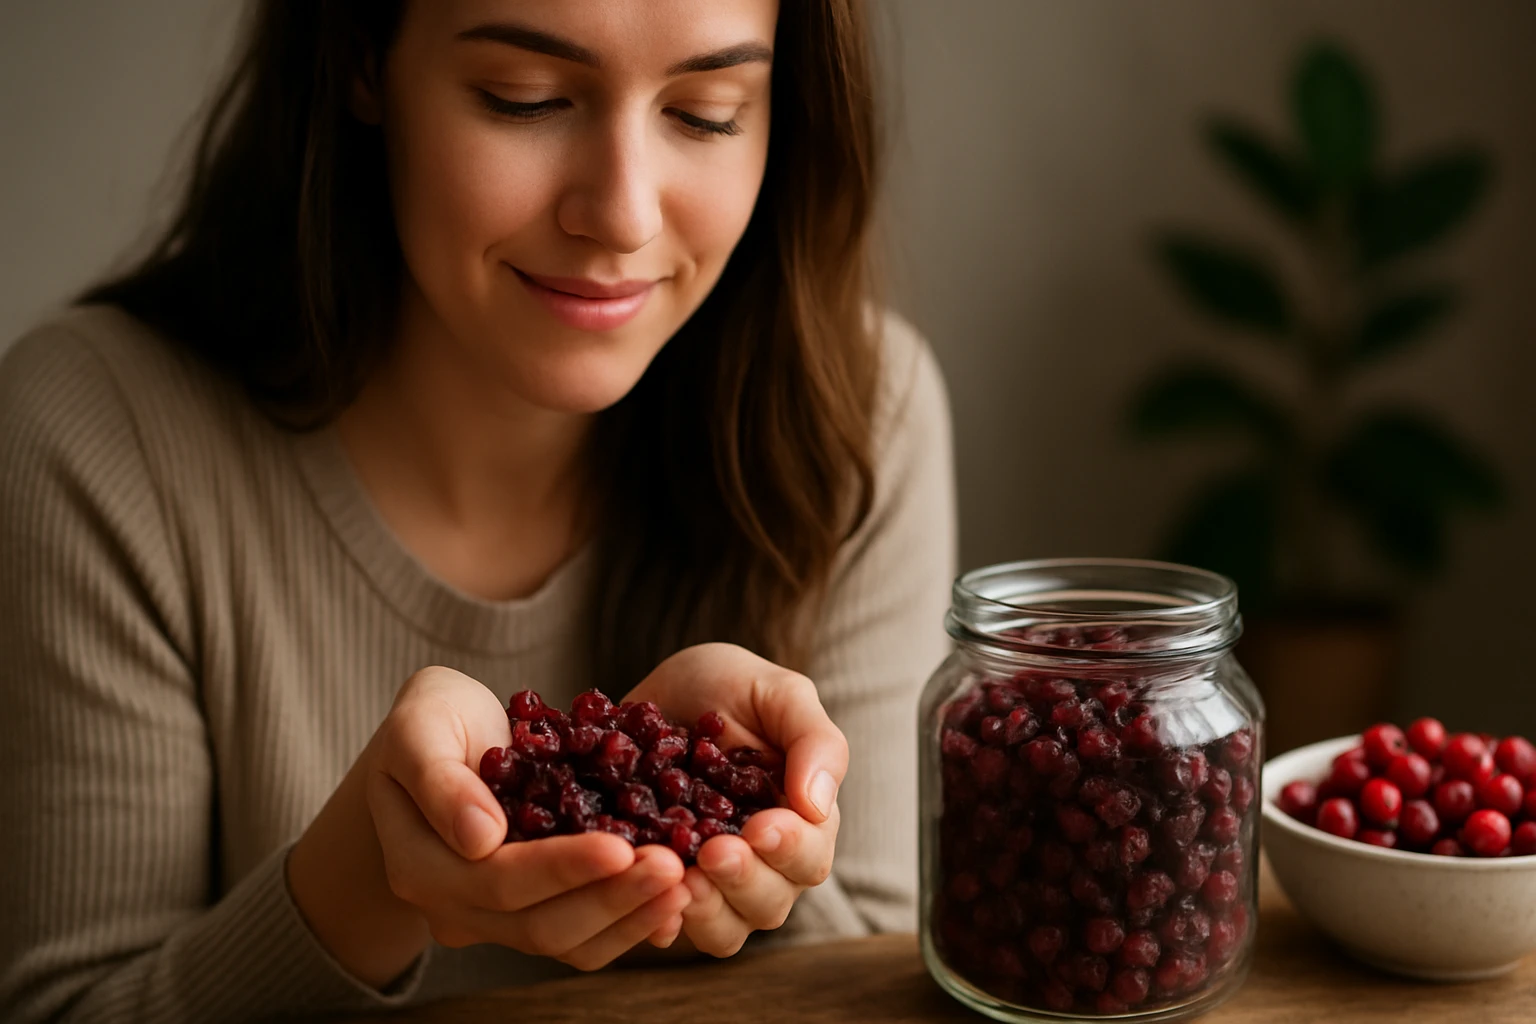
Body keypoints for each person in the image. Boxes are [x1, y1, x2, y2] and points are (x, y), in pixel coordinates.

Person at [0, 1, 955, 1020]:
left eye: (709, 112)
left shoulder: (854, 415)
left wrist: (745, 828)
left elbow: (882, 971)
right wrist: (372, 869)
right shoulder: (95, 437)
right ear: (364, 59)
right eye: (526, 99)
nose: (624, 213)